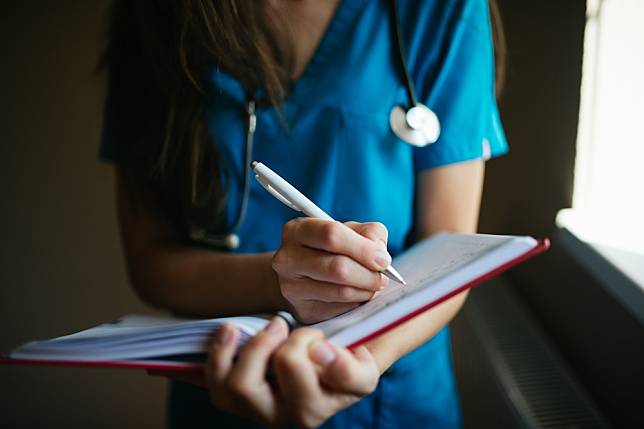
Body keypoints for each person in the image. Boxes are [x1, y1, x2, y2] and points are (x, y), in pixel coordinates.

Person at [100, 0, 508, 427]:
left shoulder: (444, 10)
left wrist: (361, 358)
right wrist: (284, 279)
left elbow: (449, 253)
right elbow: (151, 264)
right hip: (222, 389)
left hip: (391, 395)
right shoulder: (155, 16)